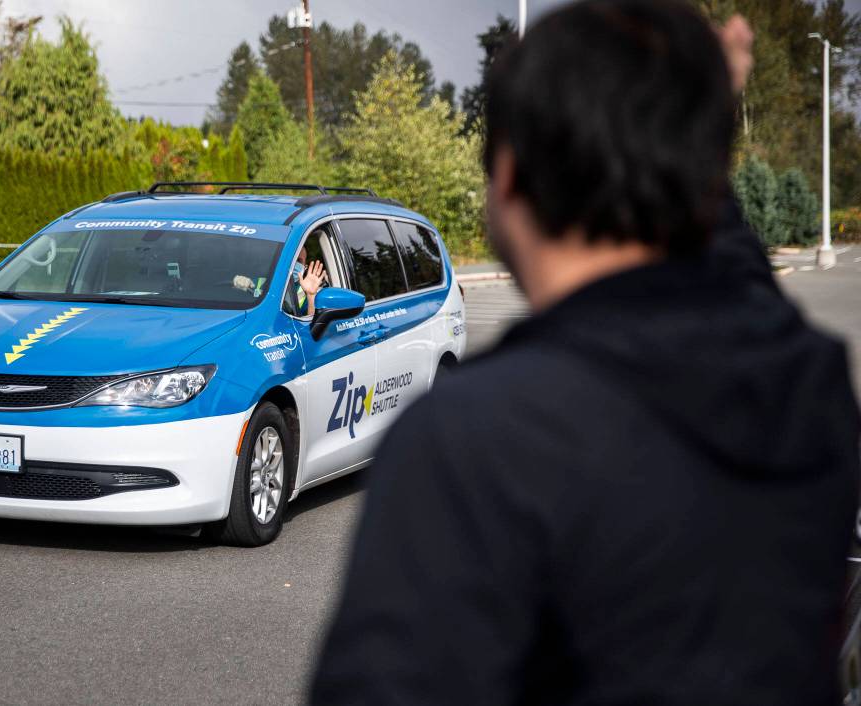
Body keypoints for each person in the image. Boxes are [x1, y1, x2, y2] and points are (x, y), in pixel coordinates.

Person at [310, 1, 861, 704]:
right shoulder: (807, 383)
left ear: (508, 175)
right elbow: (737, 281)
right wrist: (693, 123)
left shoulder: (476, 442)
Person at [291, 245, 326, 316]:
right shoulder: (264, 281)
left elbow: (310, 324)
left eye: (298, 261)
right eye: (291, 259)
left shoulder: (305, 291)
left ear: (305, 267)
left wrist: (311, 296)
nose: (293, 263)